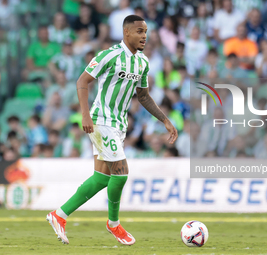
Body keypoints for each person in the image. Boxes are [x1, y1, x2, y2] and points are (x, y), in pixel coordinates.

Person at [46, 15, 178, 245]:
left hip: (118, 125)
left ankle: (59, 215)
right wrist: (85, 114)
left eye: (145, 32)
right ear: (126, 32)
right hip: (100, 120)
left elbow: (143, 96)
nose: (144, 36)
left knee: (101, 178)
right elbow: (82, 81)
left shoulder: (142, 63)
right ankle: (113, 224)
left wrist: (164, 119)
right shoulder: (109, 55)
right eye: (139, 31)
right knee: (121, 172)